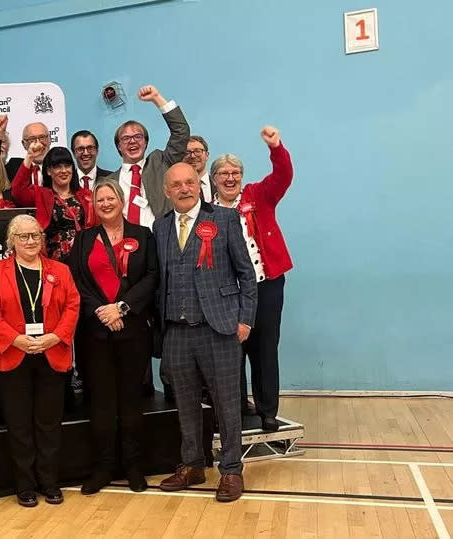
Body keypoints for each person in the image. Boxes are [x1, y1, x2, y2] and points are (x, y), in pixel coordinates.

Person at [153, 163, 257, 502]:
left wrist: (245, 320)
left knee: (228, 403)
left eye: (190, 182)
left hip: (220, 328)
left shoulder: (225, 220)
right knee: (185, 404)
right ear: (167, 191)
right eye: (176, 185)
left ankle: (230, 470)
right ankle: (193, 464)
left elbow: (247, 274)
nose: (184, 189)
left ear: (199, 185)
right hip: (178, 332)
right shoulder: (162, 226)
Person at [67, 179, 158, 494]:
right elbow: (76, 279)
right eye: (100, 199)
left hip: (132, 330)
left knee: (131, 400)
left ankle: (133, 466)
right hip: (95, 333)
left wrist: (122, 307)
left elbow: (151, 276)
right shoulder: (83, 239)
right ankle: (103, 467)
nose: (105, 203)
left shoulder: (143, 236)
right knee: (101, 403)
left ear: (121, 200)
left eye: (111, 198)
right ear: (94, 204)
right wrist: (102, 311)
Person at [0, 215, 80, 507]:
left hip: (51, 354)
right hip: (14, 355)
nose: (30, 241)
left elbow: (72, 305)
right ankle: (25, 485)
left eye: (35, 235)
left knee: (49, 424)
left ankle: (49, 483)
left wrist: (56, 337)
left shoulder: (60, 271)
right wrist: (15, 339)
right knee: (19, 426)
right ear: (11, 241)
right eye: (23, 236)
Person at [211, 126, 294, 432]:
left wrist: (276, 147)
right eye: (223, 173)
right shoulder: (207, 212)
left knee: (265, 349)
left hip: (266, 285)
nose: (230, 178)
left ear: (242, 176)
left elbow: (283, 175)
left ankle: (268, 411)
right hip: (228, 293)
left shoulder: (259, 195)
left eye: (235, 172)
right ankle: (234, 412)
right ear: (214, 179)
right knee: (231, 353)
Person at [104, 85, 190, 227]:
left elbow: (181, 132)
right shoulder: (109, 181)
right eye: (126, 138)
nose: (132, 141)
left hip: (159, 241)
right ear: (119, 146)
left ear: (145, 142)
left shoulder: (161, 163)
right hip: (123, 244)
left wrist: (157, 98)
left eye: (138, 136)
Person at [11, 145, 97, 260]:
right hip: (53, 261)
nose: (64, 171)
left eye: (67, 166)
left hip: (84, 258)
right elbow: (17, 191)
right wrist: (30, 157)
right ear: (48, 171)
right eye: (57, 167)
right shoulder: (41, 194)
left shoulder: (87, 195)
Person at [0, 115, 51, 183]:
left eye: (42, 137)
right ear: (24, 144)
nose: (38, 143)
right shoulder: (13, 166)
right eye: (32, 139)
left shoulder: (58, 167)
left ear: (50, 140)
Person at [184, 135, 213, 202]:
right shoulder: (176, 189)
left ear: (207, 155)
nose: (192, 156)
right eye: (187, 152)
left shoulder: (218, 185)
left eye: (198, 151)